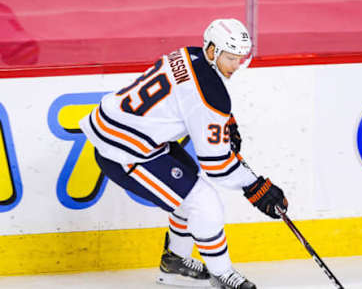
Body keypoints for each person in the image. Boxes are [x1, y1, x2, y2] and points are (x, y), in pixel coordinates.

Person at [79, 18, 288, 289]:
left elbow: (190, 98)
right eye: (232, 58)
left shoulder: (189, 53)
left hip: (123, 132)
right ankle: (222, 275)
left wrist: (224, 122)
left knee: (188, 190)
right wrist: (256, 187)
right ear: (212, 51)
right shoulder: (211, 96)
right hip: (124, 151)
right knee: (204, 202)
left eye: (241, 58)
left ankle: (175, 261)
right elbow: (218, 166)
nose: (237, 65)